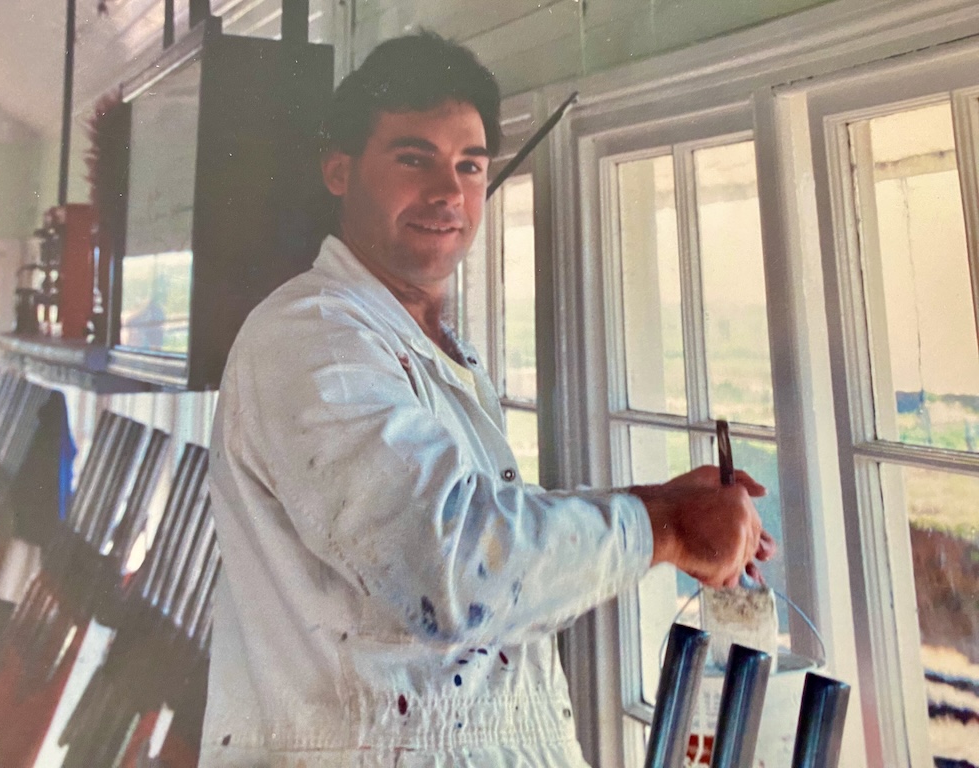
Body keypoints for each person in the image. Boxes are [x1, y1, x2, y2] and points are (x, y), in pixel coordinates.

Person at [201, 31, 775, 767]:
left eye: (469, 165)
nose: (449, 192)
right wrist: (664, 526)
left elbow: (480, 526)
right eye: (414, 159)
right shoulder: (312, 338)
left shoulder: (433, 346)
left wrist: (659, 501)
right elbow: (454, 568)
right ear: (338, 170)